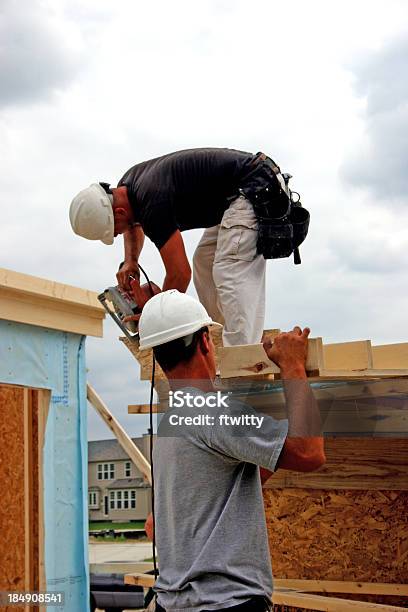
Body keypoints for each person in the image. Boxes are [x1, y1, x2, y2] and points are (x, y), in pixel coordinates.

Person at [137, 289, 325, 612]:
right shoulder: (214, 411)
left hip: (173, 604)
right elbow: (310, 453)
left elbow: (158, 523)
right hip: (225, 604)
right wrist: (293, 366)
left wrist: (265, 449)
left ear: (157, 358)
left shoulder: (169, 423)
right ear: (206, 342)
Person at [69, 148, 307, 346]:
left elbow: (179, 274)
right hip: (238, 194)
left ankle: (242, 352)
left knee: (229, 269)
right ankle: (223, 340)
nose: (120, 233)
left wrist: (157, 318)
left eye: (115, 230)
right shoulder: (128, 186)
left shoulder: (153, 202)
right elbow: (133, 225)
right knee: (204, 261)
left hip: (254, 188)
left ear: (118, 211)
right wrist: (131, 261)